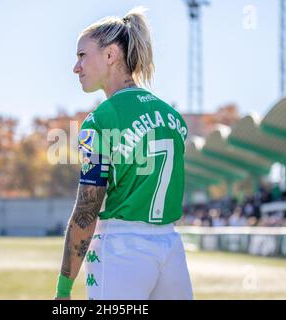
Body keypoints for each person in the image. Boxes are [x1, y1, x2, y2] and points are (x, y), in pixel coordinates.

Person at [55, 6, 193, 300]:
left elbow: (87, 210)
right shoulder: (173, 117)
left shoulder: (101, 120)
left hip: (121, 250)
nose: (76, 67)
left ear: (110, 55)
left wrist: (63, 289)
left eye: (82, 55)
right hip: (171, 247)